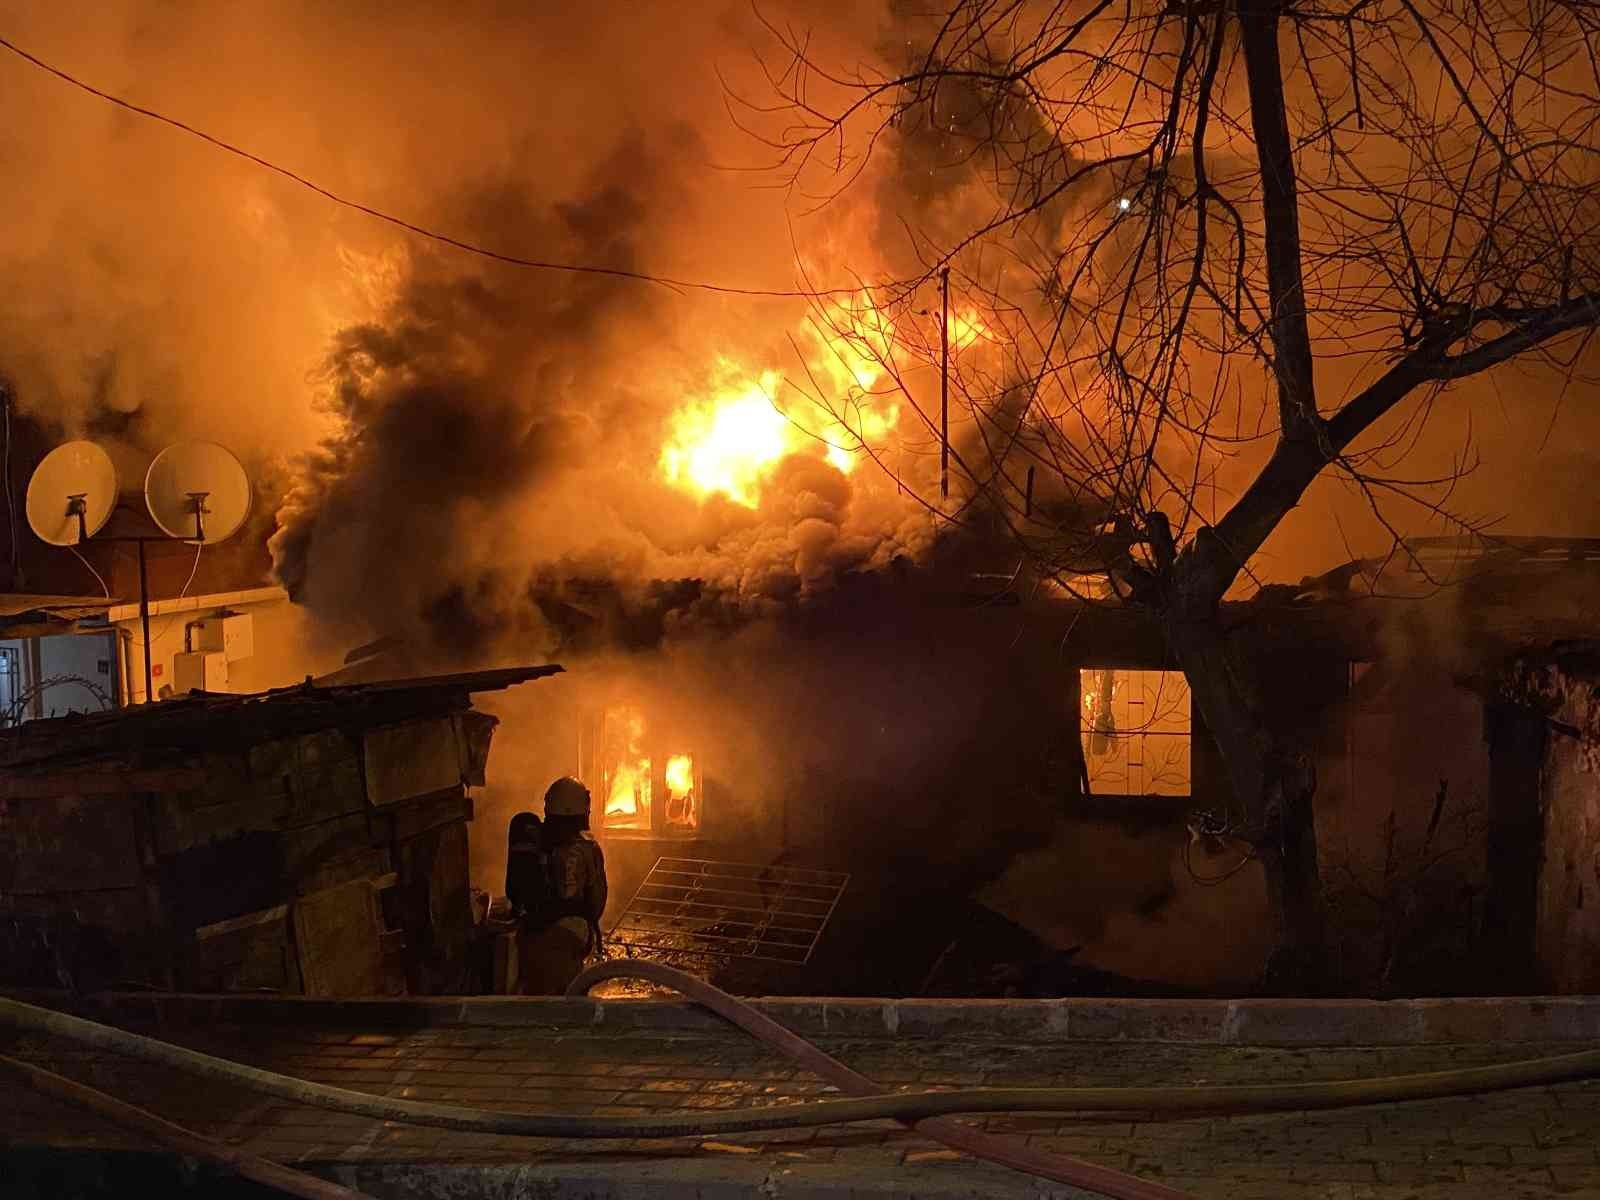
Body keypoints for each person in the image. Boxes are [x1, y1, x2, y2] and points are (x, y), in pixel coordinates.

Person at [517, 777, 608, 995]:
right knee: (566, 1005)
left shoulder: (533, 839)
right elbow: (597, 900)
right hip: (569, 935)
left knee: (536, 997)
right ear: (583, 810)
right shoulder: (587, 848)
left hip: (531, 933)